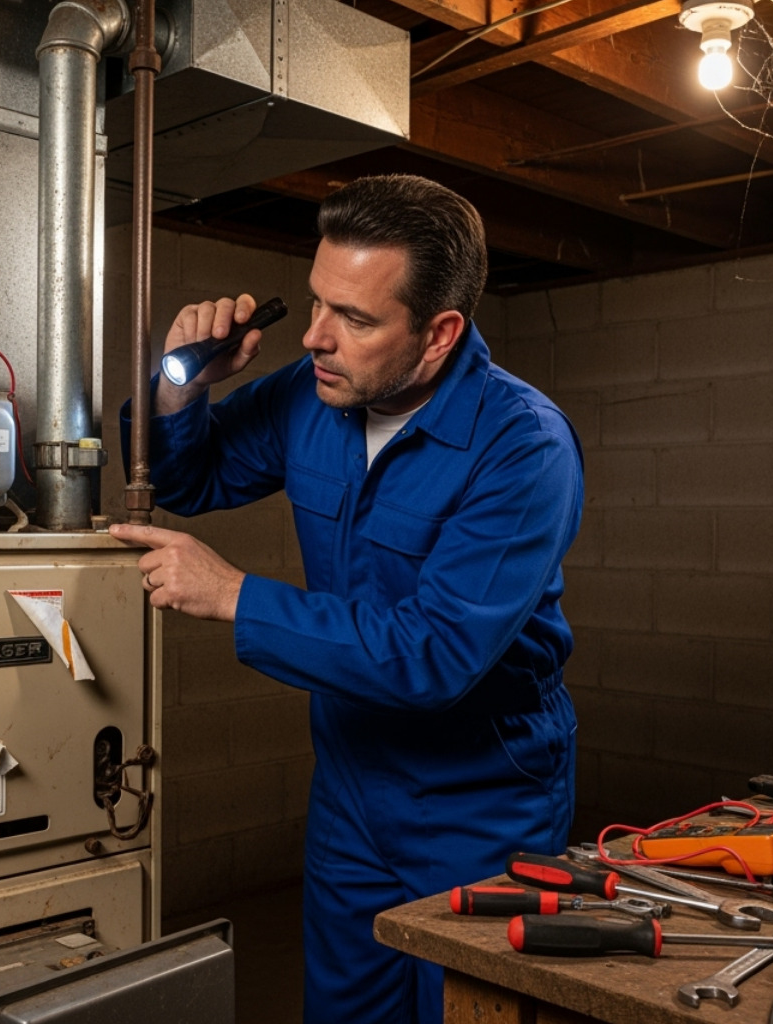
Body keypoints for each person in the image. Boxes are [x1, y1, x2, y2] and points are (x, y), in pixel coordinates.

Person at [110, 174, 583, 1024]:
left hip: (483, 797)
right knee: (346, 1011)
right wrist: (183, 385)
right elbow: (190, 475)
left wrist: (234, 596)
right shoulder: (312, 395)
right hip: (353, 789)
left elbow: (434, 655)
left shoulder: (523, 446)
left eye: (356, 320)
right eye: (319, 302)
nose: (319, 338)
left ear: (440, 333)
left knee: (468, 1011)